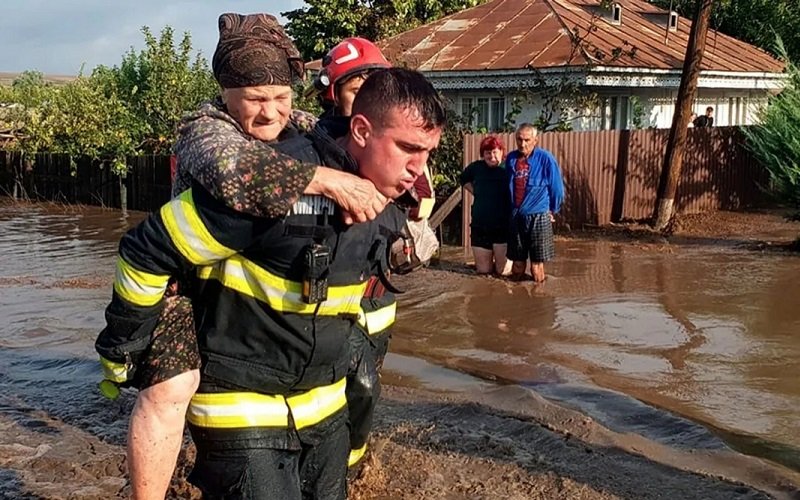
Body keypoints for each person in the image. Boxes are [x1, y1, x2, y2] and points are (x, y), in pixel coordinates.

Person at [97, 49, 446, 500]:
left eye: (428, 153)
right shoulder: (269, 185)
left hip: (321, 407)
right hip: (241, 408)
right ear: (361, 130)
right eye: (409, 149)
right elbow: (147, 250)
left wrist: (402, 250)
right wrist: (124, 346)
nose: (420, 170)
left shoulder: (387, 193)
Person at [313, 36, 437, 470]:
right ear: (334, 93)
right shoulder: (314, 145)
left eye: (372, 80)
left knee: (365, 383)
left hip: (376, 290)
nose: (364, 89)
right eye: (354, 84)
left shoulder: (403, 149)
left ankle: (353, 457)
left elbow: (421, 201)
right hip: (329, 287)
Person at [505, 123, 564, 283]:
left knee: (536, 266)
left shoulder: (546, 159)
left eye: (526, 140)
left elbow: (557, 189)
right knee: (517, 264)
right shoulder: (511, 159)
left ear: (535, 140)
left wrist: (553, 210)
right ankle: (516, 300)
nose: (522, 144)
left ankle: (538, 302)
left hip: (538, 216)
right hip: (516, 217)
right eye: (519, 139)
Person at [460, 135, 512, 276]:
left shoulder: (509, 167)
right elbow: (463, 179)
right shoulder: (476, 168)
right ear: (483, 154)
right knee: (483, 272)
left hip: (504, 226)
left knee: (504, 272)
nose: (491, 155)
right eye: (487, 152)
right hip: (480, 226)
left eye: (495, 151)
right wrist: (477, 192)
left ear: (501, 151)